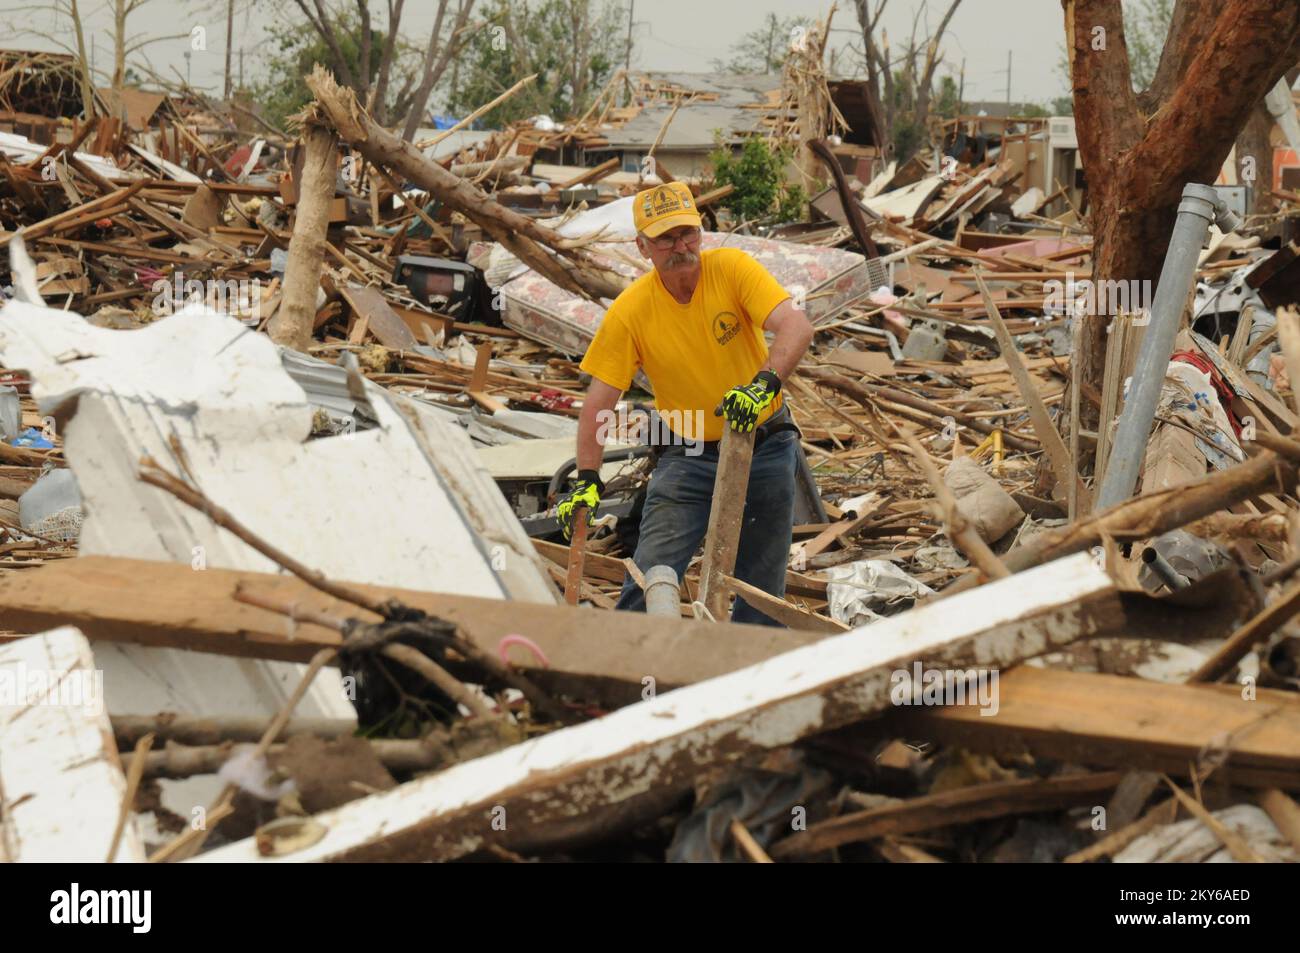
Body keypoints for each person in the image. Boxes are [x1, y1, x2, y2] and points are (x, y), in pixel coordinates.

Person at [555, 182, 814, 626]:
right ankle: (635, 659)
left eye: (687, 234)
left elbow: (796, 327)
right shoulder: (631, 311)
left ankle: (747, 664)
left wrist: (762, 386)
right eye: (665, 239)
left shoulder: (732, 269)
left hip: (764, 446)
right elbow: (599, 402)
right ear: (642, 247)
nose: (680, 247)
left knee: (760, 589)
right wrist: (588, 479)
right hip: (688, 454)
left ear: (700, 232)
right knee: (651, 570)